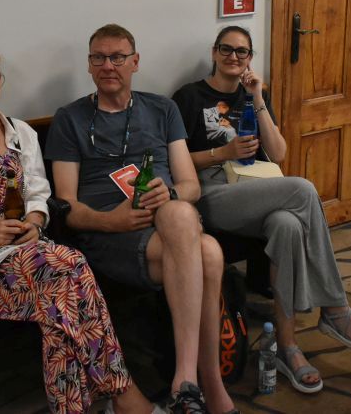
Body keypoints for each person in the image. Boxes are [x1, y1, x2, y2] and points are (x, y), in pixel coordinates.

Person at [0, 29, 157, 414]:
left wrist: (35, 224)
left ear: (0, 81)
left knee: (59, 295)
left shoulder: (20, 133)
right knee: (69, 271)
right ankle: (124, 394)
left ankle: (86, 405)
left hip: (24, 247)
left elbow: (38, 193)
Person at [171, 25, 351, 394]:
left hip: (257, 188)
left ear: (250, 58)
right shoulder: (189, 97)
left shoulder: (253, 95)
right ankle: (335, 308)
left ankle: (288, 348)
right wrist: (223, 152)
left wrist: (257, 96)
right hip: (213, 193)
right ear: (214, 52)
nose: (233, 57)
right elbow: (175, 159)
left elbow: (279, 153)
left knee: (288, 224)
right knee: (303, 189)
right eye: (226, 49)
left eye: (242, 51)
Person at [45, 24, 237, 414]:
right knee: (209, 253)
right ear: (89, 65)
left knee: (181, 213)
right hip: (110, 236)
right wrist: (111, 221)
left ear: (135, 62)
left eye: (117, 57)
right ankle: (207, 385)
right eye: (99, 57)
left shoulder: (162, 109)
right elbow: (66, 207)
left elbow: (190, 186)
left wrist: (170, 195)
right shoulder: (70, 118)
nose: (108, 65)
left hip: (169, 227)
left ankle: (188, 382)